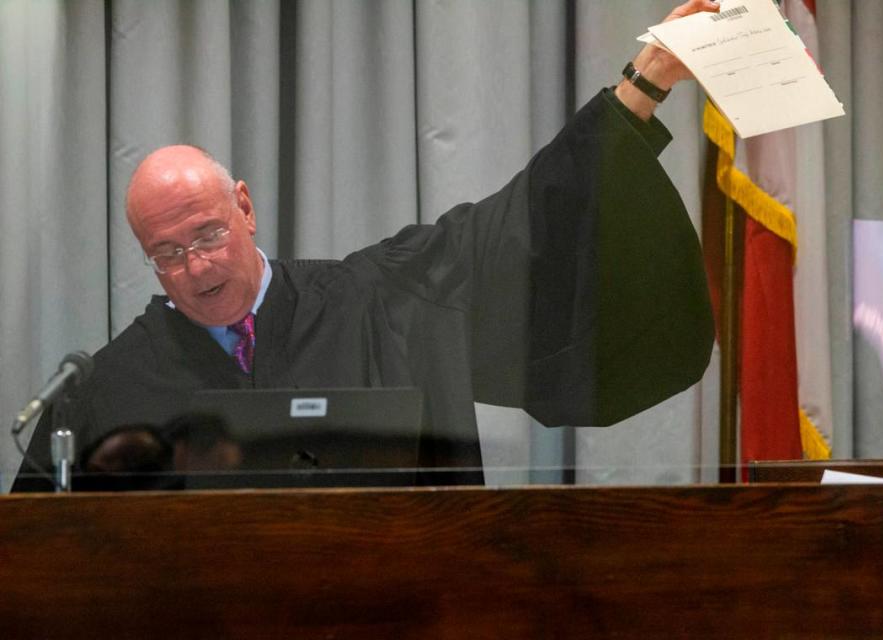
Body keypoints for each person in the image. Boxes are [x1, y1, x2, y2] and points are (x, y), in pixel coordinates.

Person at [17, 0, 718, 488]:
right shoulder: (106, 393)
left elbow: (524, 222)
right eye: (168, 253)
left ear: (246, 207)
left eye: (208, 234)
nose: (196, 267)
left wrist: (639, 90)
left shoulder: (380, 301)